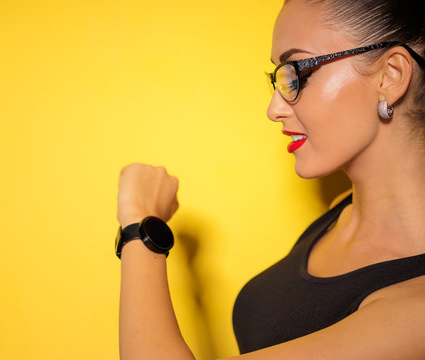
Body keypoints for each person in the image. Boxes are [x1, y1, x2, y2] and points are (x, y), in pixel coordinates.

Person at [115, 0, 425, 358]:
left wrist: (140, 227)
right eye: (277, 78)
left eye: (296, 73)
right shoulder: (339, 217)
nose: (274, 108)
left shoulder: (416, 308)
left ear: (391, 75)